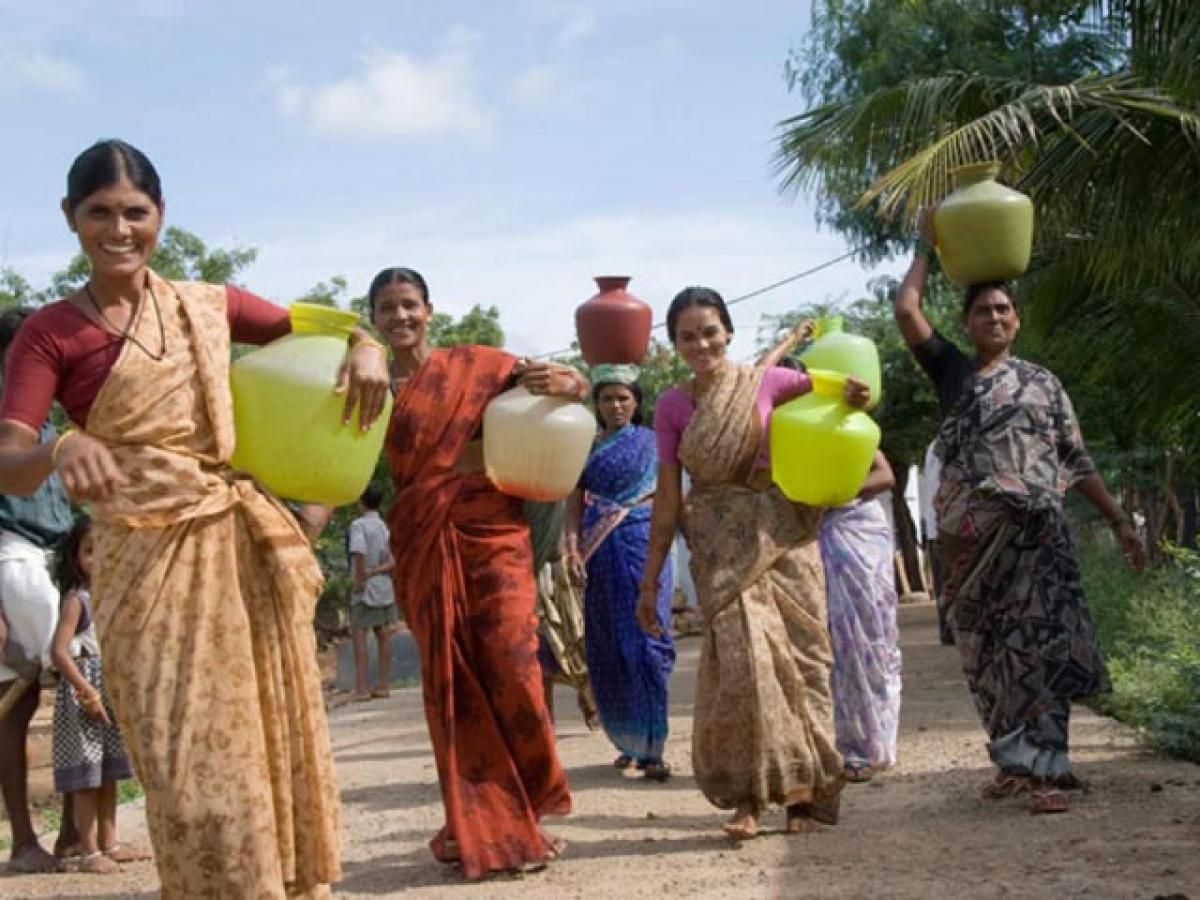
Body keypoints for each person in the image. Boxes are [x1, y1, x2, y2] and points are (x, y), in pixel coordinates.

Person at [0, 139, 391, 897]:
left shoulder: (207, 305)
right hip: (141, 565)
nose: (120, 230)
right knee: (183, 769)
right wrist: (60, 446)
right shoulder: (51, 331)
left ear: (161, 215)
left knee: (261, 744)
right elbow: (8, 452)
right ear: (70, 219)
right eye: (100, 214)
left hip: (230, 544)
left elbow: (323, 326)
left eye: (135, 213)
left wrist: (366, 343)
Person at [895, 210, 1145, 814]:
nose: (996, 318)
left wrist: (1117, 521)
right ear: (967, 323)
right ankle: (1013, 761)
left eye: (1005, 310)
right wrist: (924, 245)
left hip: (1039, 538)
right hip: (972, 544)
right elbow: (906, 311)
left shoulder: (1043, 384)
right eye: (984, 311)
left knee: (1042, 645)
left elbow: (1076, 460)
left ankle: (1050, 770)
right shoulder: (955, 374)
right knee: (986, 651)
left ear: (1018, 320)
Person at [635, 287, 872, 840]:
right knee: (741, 670)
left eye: (709, 332)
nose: (701, 344)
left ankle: (802, 795)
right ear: (674, 344)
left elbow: (837, 389)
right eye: (687, 336)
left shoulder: (769, 381)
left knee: (803, 660)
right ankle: (749, 797)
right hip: (718, 546)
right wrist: (651, 582)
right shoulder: (672, 406)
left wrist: (856, 396)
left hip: (782, 537)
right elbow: (669, 497)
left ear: (729, 333)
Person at [370, 266, 579, 878]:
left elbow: (572, 387)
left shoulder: (477, 364)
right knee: (451, 685)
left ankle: (528, 809)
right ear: (376, 321)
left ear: (429, 310)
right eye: (387, 309)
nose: (400, 317)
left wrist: (566, 380)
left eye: (409, 305)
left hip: (494, 531)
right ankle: (484, 824)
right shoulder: (372, 390)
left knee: (515, 669)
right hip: (424, 542)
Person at [565, 365, 675, 781]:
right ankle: (629, 743)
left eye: (623, 398)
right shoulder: (586, 449)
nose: (615, 405)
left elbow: (669, 494)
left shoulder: (653, 444)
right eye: (608, 399)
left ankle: (655, 746)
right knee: (609, 645)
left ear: (636, 403)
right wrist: (571, 545)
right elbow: (574, 503)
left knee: (646, 645)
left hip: (644, 542)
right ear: (598, 405)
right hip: (600, 549)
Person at [0, 307, 77, 874]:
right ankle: (25, 840)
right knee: (16, 706)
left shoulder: (50, 426)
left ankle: (78, 834)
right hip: (13, 558)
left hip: (58, 561)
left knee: (80, 693)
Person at [49, 515, 149, 874]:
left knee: (109, 773)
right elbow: (59, 651)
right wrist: (85, 689)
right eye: (91, 551)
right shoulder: (78, 600)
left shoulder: (113, 598)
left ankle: (111, 842)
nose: (100, 559)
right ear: (76, 558)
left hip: (111, 690)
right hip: (84, 695)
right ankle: (89, 849)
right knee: (87, 777)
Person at [817, 450, 903, 783]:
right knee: (832, 646)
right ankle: (843, 746)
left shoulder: (848, 423)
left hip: (859, 534)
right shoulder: (784, 423)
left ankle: (871, 744)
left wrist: (833, 497)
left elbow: (885, 475)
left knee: (869, 640)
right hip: (813, 533)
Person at [524, 499, 596, 729]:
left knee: (579, 646)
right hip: (531, 567)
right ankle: (547, 725)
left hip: (564, 568)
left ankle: (589, 701)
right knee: (540, 651)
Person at [347, 481, 397, 702]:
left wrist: (360, 579)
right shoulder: (384, 527)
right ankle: (384, 684)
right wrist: (377, 570)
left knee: (359, 635)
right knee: (383, 634)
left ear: (360, 500)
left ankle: (362, 686)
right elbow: (393, 560)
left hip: (366, 588)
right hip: (384, 586)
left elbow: (358, 552)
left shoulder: (358, 525)